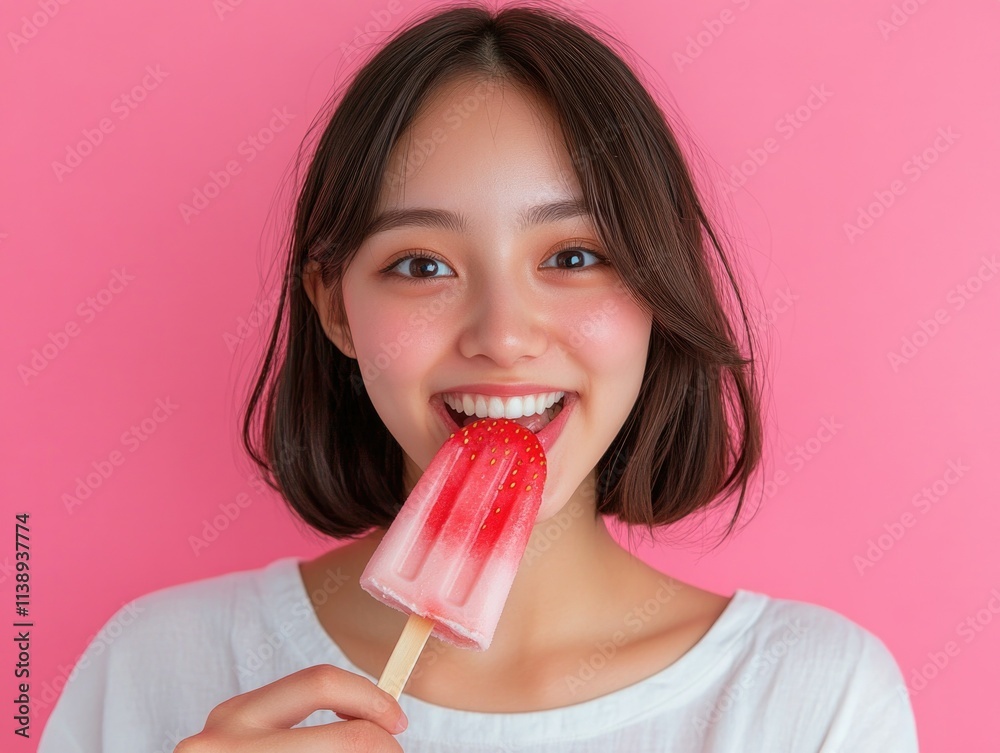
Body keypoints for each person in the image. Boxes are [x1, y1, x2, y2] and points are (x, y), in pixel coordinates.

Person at [38, 3, 919, 751]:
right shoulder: (152, 669)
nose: (501, 337)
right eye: (422, 265)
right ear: (336, 308)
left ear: (658, 292)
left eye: (574, 254)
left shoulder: (811, 702)